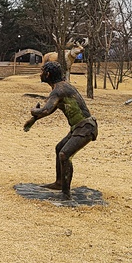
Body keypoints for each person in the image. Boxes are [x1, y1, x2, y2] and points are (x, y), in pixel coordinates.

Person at [23, 61, 97, 199]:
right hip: (79, 128)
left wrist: (33, 110)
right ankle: (59, 182)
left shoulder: (58, 90)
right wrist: (33, 120)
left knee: (64, 154)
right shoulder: (61, 87)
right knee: (59, 148)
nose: (40, 74)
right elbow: (51, 109)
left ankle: (66, 193)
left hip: (86, 128)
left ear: (48, 74)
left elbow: (45, 110)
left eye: (42, 71)